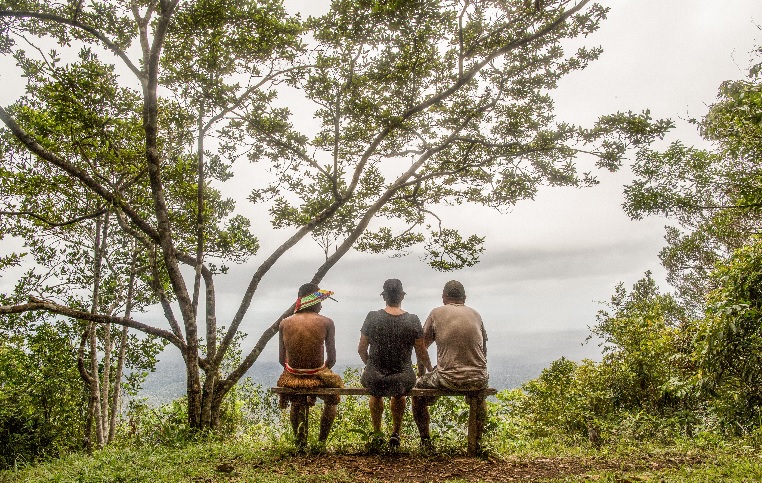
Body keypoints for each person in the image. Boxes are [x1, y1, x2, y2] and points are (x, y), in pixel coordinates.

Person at [412, 280, 488, 448]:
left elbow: (421, 346)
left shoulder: (436, 313)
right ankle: (477, 443)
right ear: (464, 298)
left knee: (417, 391)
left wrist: (424, 372)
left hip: (448, 378)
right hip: (478, 378)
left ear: (443, 297)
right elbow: (484, 350)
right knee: (480, 395)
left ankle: (425, 441)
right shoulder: (475, 314)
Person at [358, 279, 432, 449]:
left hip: (374, 375)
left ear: (384, 297)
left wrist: (371, 365)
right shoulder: (413, 320)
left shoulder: (372, 317)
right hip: (402, 376)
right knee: (399, 393)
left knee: (375, 394)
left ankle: (377, 433)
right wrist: (429, 369)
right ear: (401, 297)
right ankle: (395, 433)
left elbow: (361, 349)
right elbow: (421, 352)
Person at [277, 283, 343, 446]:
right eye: (319, 301)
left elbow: (281, 360)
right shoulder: (327, 322)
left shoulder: (284, 323)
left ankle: (300, 443)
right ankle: (321, 442)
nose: (321, 305)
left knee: (296, 402)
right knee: (332, 400)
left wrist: (296, 370)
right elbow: (332, 359)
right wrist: (319, 371)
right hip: (317, 374)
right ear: (314, 301)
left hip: (293, 374)